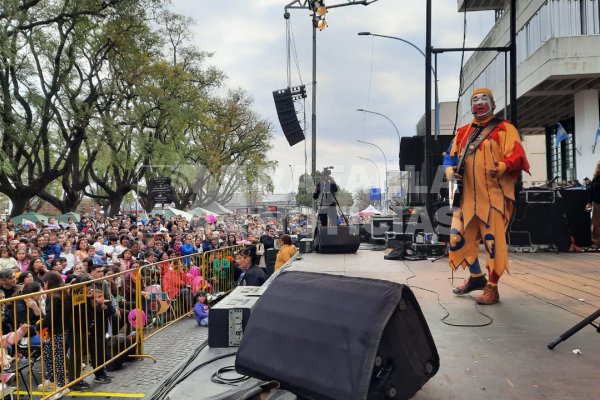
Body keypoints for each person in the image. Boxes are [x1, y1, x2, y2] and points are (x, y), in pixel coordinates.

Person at [444, 87, 530, 305]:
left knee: (493, 244)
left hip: (493, 198)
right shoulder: (463, 132)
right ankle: (475, 277)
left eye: (484, 99)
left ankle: (492, 286)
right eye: (475, 100)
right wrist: (449, 171)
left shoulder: (505, 129)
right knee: (457, 239)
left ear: (492, 104)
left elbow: (518, 156)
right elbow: (449, 158)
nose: (479, 102)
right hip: (465, 199)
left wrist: (501, 167)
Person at [589, 161, 600, 247]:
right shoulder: (595, 178)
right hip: (597, 203)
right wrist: (590, 202)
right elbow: (591, 190)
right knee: (595, 222)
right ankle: (596, 242)